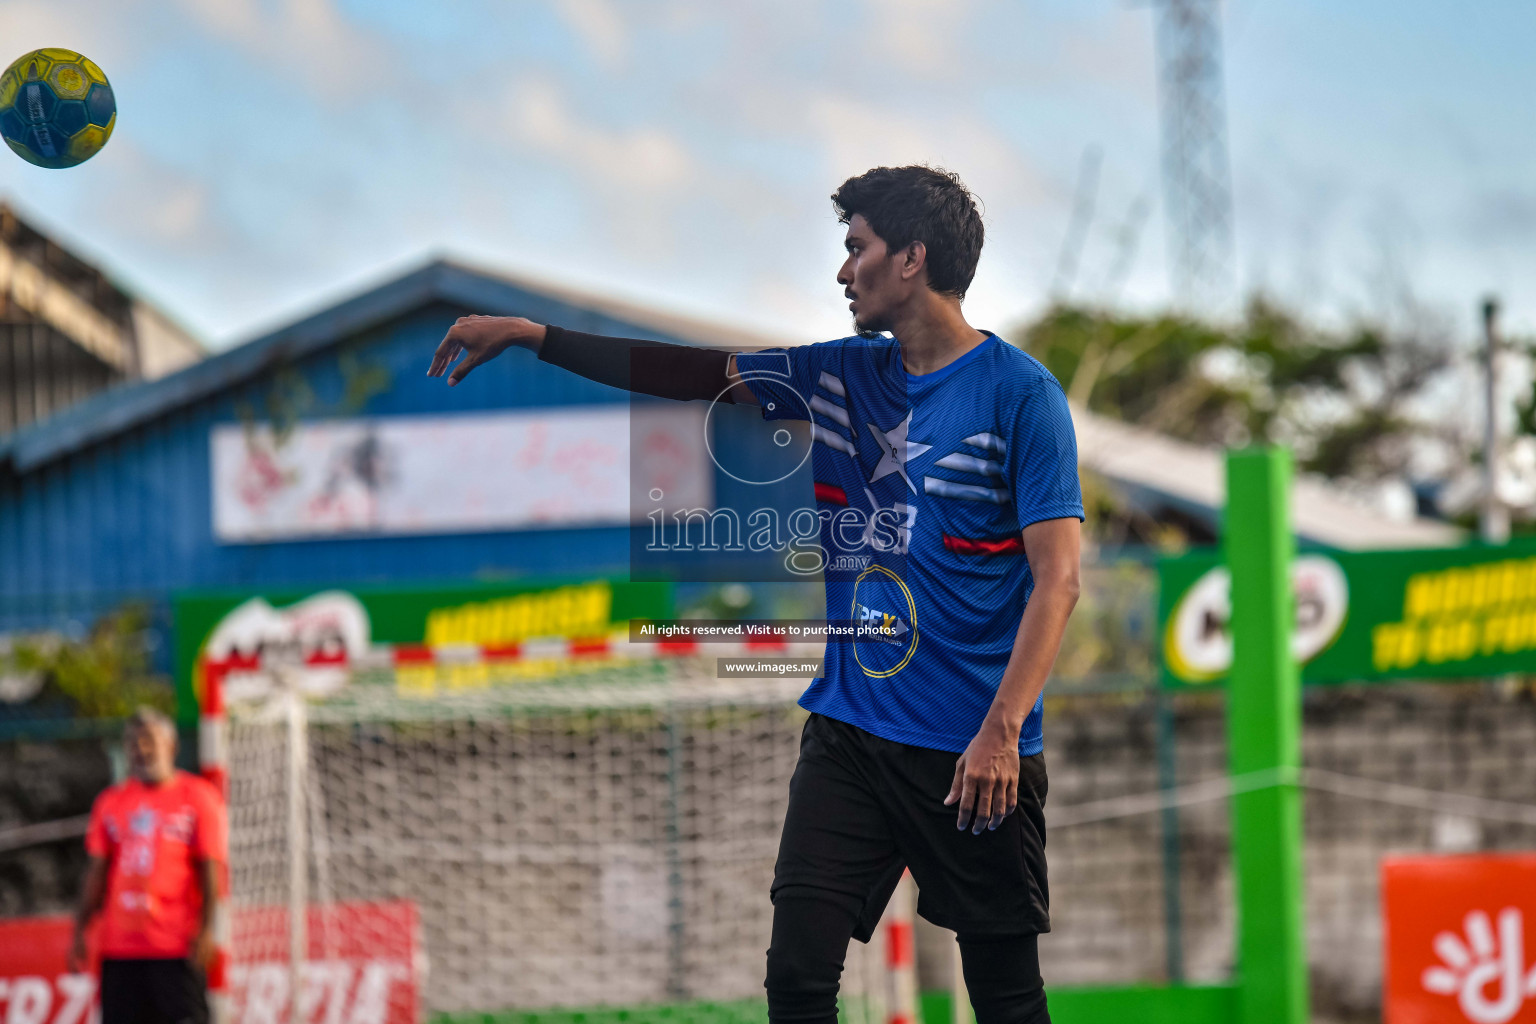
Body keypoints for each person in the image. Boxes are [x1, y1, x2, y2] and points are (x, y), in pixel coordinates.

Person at [427, 164, 1081, 1024]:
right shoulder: (836, 377)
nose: (843, 272)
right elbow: (689, 373)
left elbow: (1059, 581)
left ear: (913, 258)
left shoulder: (1020, 395)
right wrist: (533, 336)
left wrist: (999, 734)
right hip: (850, 733)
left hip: (974, 756)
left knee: (1006, 1001)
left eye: (858, 250)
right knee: (797, 981)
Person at [70, 707, 226, 1024]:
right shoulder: (110, 802)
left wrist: (208, 928)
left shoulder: (198, 797)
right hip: (120, 950)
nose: (140, 750)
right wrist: (79, 929)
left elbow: (211, 868)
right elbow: (96, 872)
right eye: (132, 743)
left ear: (171, 746)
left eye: (148, 740)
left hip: (176, 947)